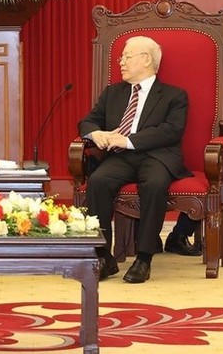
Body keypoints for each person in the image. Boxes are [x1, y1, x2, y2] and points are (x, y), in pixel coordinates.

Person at [78, 36, 190, 283]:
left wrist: (128, 140)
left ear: (146, 59)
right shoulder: (113, 92)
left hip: (156, 156)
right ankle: (104, 255)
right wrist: (96, 133)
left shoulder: (173, 95)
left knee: (153, 184)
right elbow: (88, 120)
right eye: (121, 57)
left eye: (127, 56)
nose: (121, 62)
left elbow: (171, 130)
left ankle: (144, 258)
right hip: (121, 158)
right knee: (98, 181)